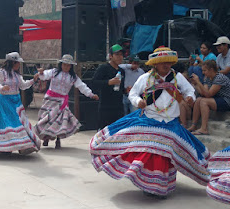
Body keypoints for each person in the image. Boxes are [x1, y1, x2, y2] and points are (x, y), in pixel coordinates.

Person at [89, 46, 210, 199]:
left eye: (168, 62)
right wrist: (138, 101)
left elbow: (188, 90)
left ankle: (161, 185)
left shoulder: (177, 77)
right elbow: (133, 93)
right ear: (155, 64)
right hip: (150, 119)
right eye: (162, 62)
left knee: (167, 155)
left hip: (170, 123)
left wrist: (190, 97)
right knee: (149, 151)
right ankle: (149, 184)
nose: (166, 65)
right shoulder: (145, 78)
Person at [0, 52, 41, 155]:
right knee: (8, 123)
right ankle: (5, 147)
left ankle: (23, 145)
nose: (19, 65)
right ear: (12, 63)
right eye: (17, 63)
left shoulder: (17, 75)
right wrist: (2, 88)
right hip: (3, 102)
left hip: (16, 102)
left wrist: (33, 80)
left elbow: (23, 85)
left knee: (19, 123)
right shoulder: (2, 73)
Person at [35, 54, 99, 148]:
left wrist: (91, 94)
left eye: (68, 65)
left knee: (59, 121)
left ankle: (58, 139)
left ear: (71, 66)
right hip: (50, 99)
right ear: (61, 64)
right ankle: (46, 137)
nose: (66, 67)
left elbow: (82, 86)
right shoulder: (54, 72)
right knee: (47, 119)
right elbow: (44, 76)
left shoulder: (73, 77)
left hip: (62, 102)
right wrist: (41, 73)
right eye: (64, 64)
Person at [187, 60, 230, 135]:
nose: (203, 73)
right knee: (199, 99)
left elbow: (208, 94)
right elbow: (203, 93)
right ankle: (194, 125)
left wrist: (199, 82)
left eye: (205, 70)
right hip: (216, 99)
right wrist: (196, 84)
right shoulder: (208, 78)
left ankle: (204, 128)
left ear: (211, 70)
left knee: (204, 102)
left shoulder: (219, 78)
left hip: (226, 101)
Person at [92, 44, 125, 129]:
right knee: (104, 133)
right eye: (117, 54)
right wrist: (108, 82)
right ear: (110, 56)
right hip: (106, 107)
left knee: (118, 132)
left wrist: (126, 90)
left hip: (119, 107)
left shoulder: (122, 71)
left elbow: (120, 88)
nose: (120, 57)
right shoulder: (103, 68)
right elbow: (94, 82)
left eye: (121, 55)